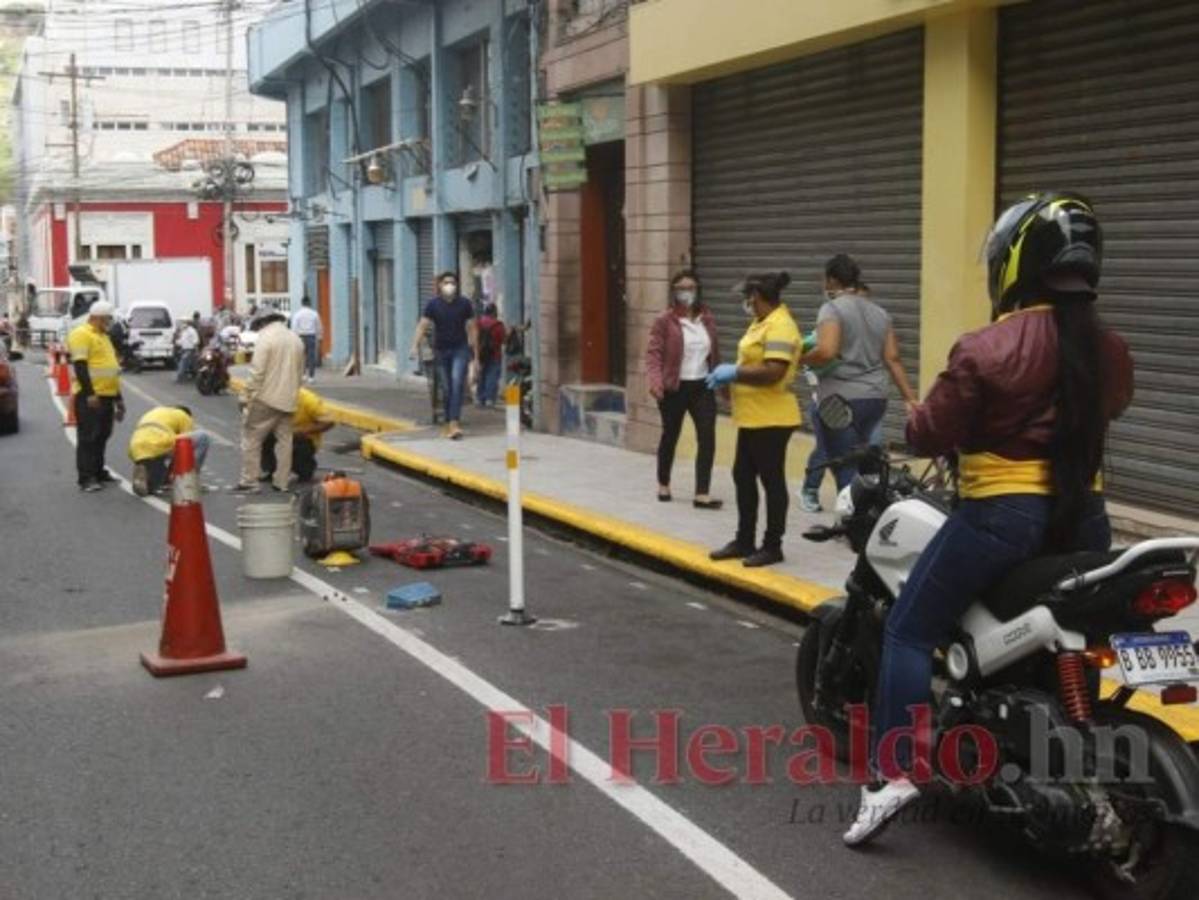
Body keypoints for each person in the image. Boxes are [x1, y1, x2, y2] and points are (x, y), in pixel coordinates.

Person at [843, 193, 1135, 846]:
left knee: (908, 629)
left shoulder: (987, 347)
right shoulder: (1108, 348)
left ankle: (892, 775)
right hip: (1084, 518)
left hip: (1000, 519)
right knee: (1073, 632)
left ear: (1012, 265)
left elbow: (926, 432)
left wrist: (925, 423)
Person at [706, 272, 802, 568]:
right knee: (743, 476)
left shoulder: (782, 326)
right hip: (752, 416)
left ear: (757, 297)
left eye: (747, 296)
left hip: (772, 417)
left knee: (771, 481)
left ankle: (773, 546)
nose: (745, 302)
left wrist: (734, 373)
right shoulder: (761, 323)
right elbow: (751, 361)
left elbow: (773, 371)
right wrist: (730, 380)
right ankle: (744, 540)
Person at [799, 255, 918, 491]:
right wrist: (909, 398)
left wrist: (798, 359)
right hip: (875, 400)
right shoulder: (880, 313)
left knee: (845, 466)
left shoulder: (831, 309)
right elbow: (893, 358)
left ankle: (850, 521)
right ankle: (865, 518)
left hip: (837, 402)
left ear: (832, 280)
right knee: (865, 463)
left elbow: (827, 352)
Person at [645, 269, 722, 509]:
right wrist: (656, 382)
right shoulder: (665, 320)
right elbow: (653, 354)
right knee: (671, 435)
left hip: (702, 386)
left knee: (707, 436)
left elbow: (714, 353)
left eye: (690, 288)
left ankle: (702, 492)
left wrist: (721, 383)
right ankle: (664, 484)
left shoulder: (707, 319)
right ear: (674, 292)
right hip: (674, 388)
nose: (686, 292)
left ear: (698, 291)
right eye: (681, 288)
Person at [232, 303, 305, 493]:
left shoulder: (266, 339)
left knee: (251, 438)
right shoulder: (295, 339)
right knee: (284, 442)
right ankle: (281, 482)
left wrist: (245, 396)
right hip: (288, 400)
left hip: (265, 398)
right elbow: (300, 372)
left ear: (263, 322)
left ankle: (249, 481)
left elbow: (257, 372)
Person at [409, 272, 478, 440]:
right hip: (441, 350)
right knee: (446, 388)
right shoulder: (433, 305)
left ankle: (454, 422)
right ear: (440, 285)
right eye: (446, 282)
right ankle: (448, 421)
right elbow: (422, 326)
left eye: (453, 282)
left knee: (456, 383)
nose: (450, 285)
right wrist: (414, 346)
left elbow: (472, 329)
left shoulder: (464, 304)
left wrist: (476, 355)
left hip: (460, 349)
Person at [68, 300, 125, 492]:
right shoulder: (81, 335)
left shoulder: (104, 336)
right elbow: (80, 366)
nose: (109, 323)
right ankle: (86, 478)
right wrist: (89, 393)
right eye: (107, 319)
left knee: (102, 435)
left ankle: (99, 471)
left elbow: (111, 369)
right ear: (97, 317)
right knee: (88, 438)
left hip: (107, 395)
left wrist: (119, 399)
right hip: (91, 397)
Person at [129, 406, 210, 496]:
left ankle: (145, 479)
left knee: (154, 485)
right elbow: (185, 447)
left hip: (136, 447)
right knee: (203, 437)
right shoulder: (183, 415)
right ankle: (188, 480)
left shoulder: (156, 412)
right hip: (160, 442)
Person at [260, 387, 335, 483]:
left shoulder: (308, 399)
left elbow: (329, 422)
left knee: (299, 447)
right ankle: (272, 470)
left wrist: (304, 430)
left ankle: (305, 472)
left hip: (304, 439)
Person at [475, 302, 506, 407]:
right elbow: (504, 340)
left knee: (482, 376)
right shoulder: (498, 325)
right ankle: (489, 399)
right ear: (495, 312)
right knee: (492, 376)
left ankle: (480, 398)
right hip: (495, 354)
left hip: (481, 354)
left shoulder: (479, 323)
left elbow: (475, 338)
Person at [290, 294, 323, 382]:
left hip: (300, 337)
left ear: (302, 303)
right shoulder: (314, 313)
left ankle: (303, 374)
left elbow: (294, 327)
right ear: (309, 303)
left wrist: (294, 337)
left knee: (301, 356)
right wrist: (319, 337)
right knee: (311, 357)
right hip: (311, 336)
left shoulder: (297, 314)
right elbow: (318, 326)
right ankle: (311, 377)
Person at [176, 318, 200, 383]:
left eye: (183, 322)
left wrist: (196, 349)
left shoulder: (192, 331)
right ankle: (194, 376)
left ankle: (180, 377)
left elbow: (196, 340)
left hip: (190, 350)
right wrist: (177, 343)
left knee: (183, 363)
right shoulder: (183, 331)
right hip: (183, 349)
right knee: (191, 364)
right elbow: (182, 340)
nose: (182, 324)